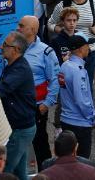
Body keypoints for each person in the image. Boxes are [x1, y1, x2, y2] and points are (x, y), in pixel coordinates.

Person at [17, 16, 60, 168]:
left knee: (40, 142)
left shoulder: (46, 52)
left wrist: (47, 103)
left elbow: (55, 79)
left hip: (37, 106)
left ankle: (46, 173)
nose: (18, 28)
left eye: (22, 26)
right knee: (17, 142)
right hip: (17, 106)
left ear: (33, 30)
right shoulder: (13, 47)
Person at [59, 34, 95, 158]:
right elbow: (82, 100)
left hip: (66, 119)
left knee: (67, 160)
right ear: (80, 49)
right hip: (80, 123)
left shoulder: (64, 66)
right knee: (82, 162)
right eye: (87, 45)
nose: (89, 48)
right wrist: (91, 116)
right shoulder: (78, 70)